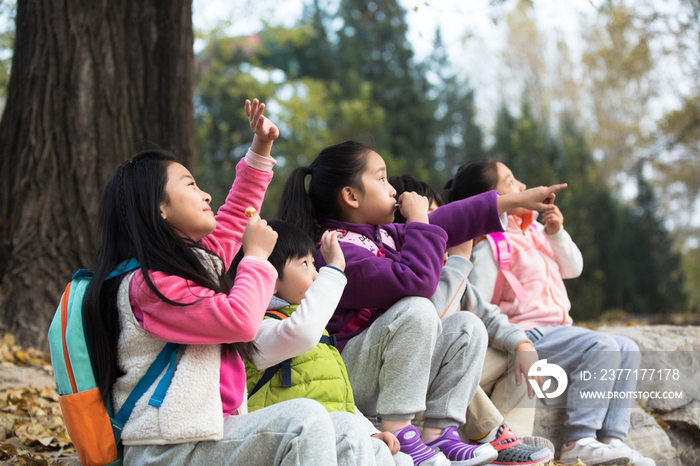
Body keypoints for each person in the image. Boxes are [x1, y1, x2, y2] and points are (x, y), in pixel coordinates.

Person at [83, 100, 385, 466]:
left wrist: (261, 147)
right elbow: (239, 321)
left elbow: (234, 215)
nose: (206, 194)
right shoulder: (149, 286)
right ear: (158, 208)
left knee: (346, 428)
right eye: (191, 185)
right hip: (167, 448)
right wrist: (256, 259)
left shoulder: (194, 264)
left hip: (211, 435)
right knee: (304, 421)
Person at [277, 141, 565, 466]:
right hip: (352, 375)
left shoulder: (382, 235)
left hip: (383, 368)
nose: (390, 189)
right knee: (417, 308)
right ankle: (400, 431)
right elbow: (417, 282)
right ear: (352, 196)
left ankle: (440, 434)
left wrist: (512, 202)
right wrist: (418, 220)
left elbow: (449, 218)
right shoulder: (339, 251)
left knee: (467, 327)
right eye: (381, 179)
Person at [444, 160, 655, 466]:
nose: (520, 186)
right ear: (491, 198)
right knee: (604, 346)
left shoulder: (537, 231)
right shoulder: (491, 243)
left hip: (560, 331)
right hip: (527, 334)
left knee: (628, 348)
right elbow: (478, 305)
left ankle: (611, 440)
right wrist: (510, 341)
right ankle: (579, 440)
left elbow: (573, 268)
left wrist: (556, 234)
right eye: (510, 181)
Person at [390, 174, 553, 466]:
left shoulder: (445, 267)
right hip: (409, 390)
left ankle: (511, 441)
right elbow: (436, 327)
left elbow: (490, 316)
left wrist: (523, 344)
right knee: (454, 350)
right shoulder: (403, 271)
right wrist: (457, 263)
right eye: (434, 224)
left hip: (439, 386)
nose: (443, 235)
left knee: (518, 355)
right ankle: (495, 437)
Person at [241, 220, 412, 466]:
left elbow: (341, 402)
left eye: (314, 263)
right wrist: (334, 270)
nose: (315, 272)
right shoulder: (259, 329)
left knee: (400, 460)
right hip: (289, 446)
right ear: (272, 280)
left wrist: (369, 431)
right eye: (304, 264)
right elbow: (301, 331)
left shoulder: (318, 335)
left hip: (335, 437)